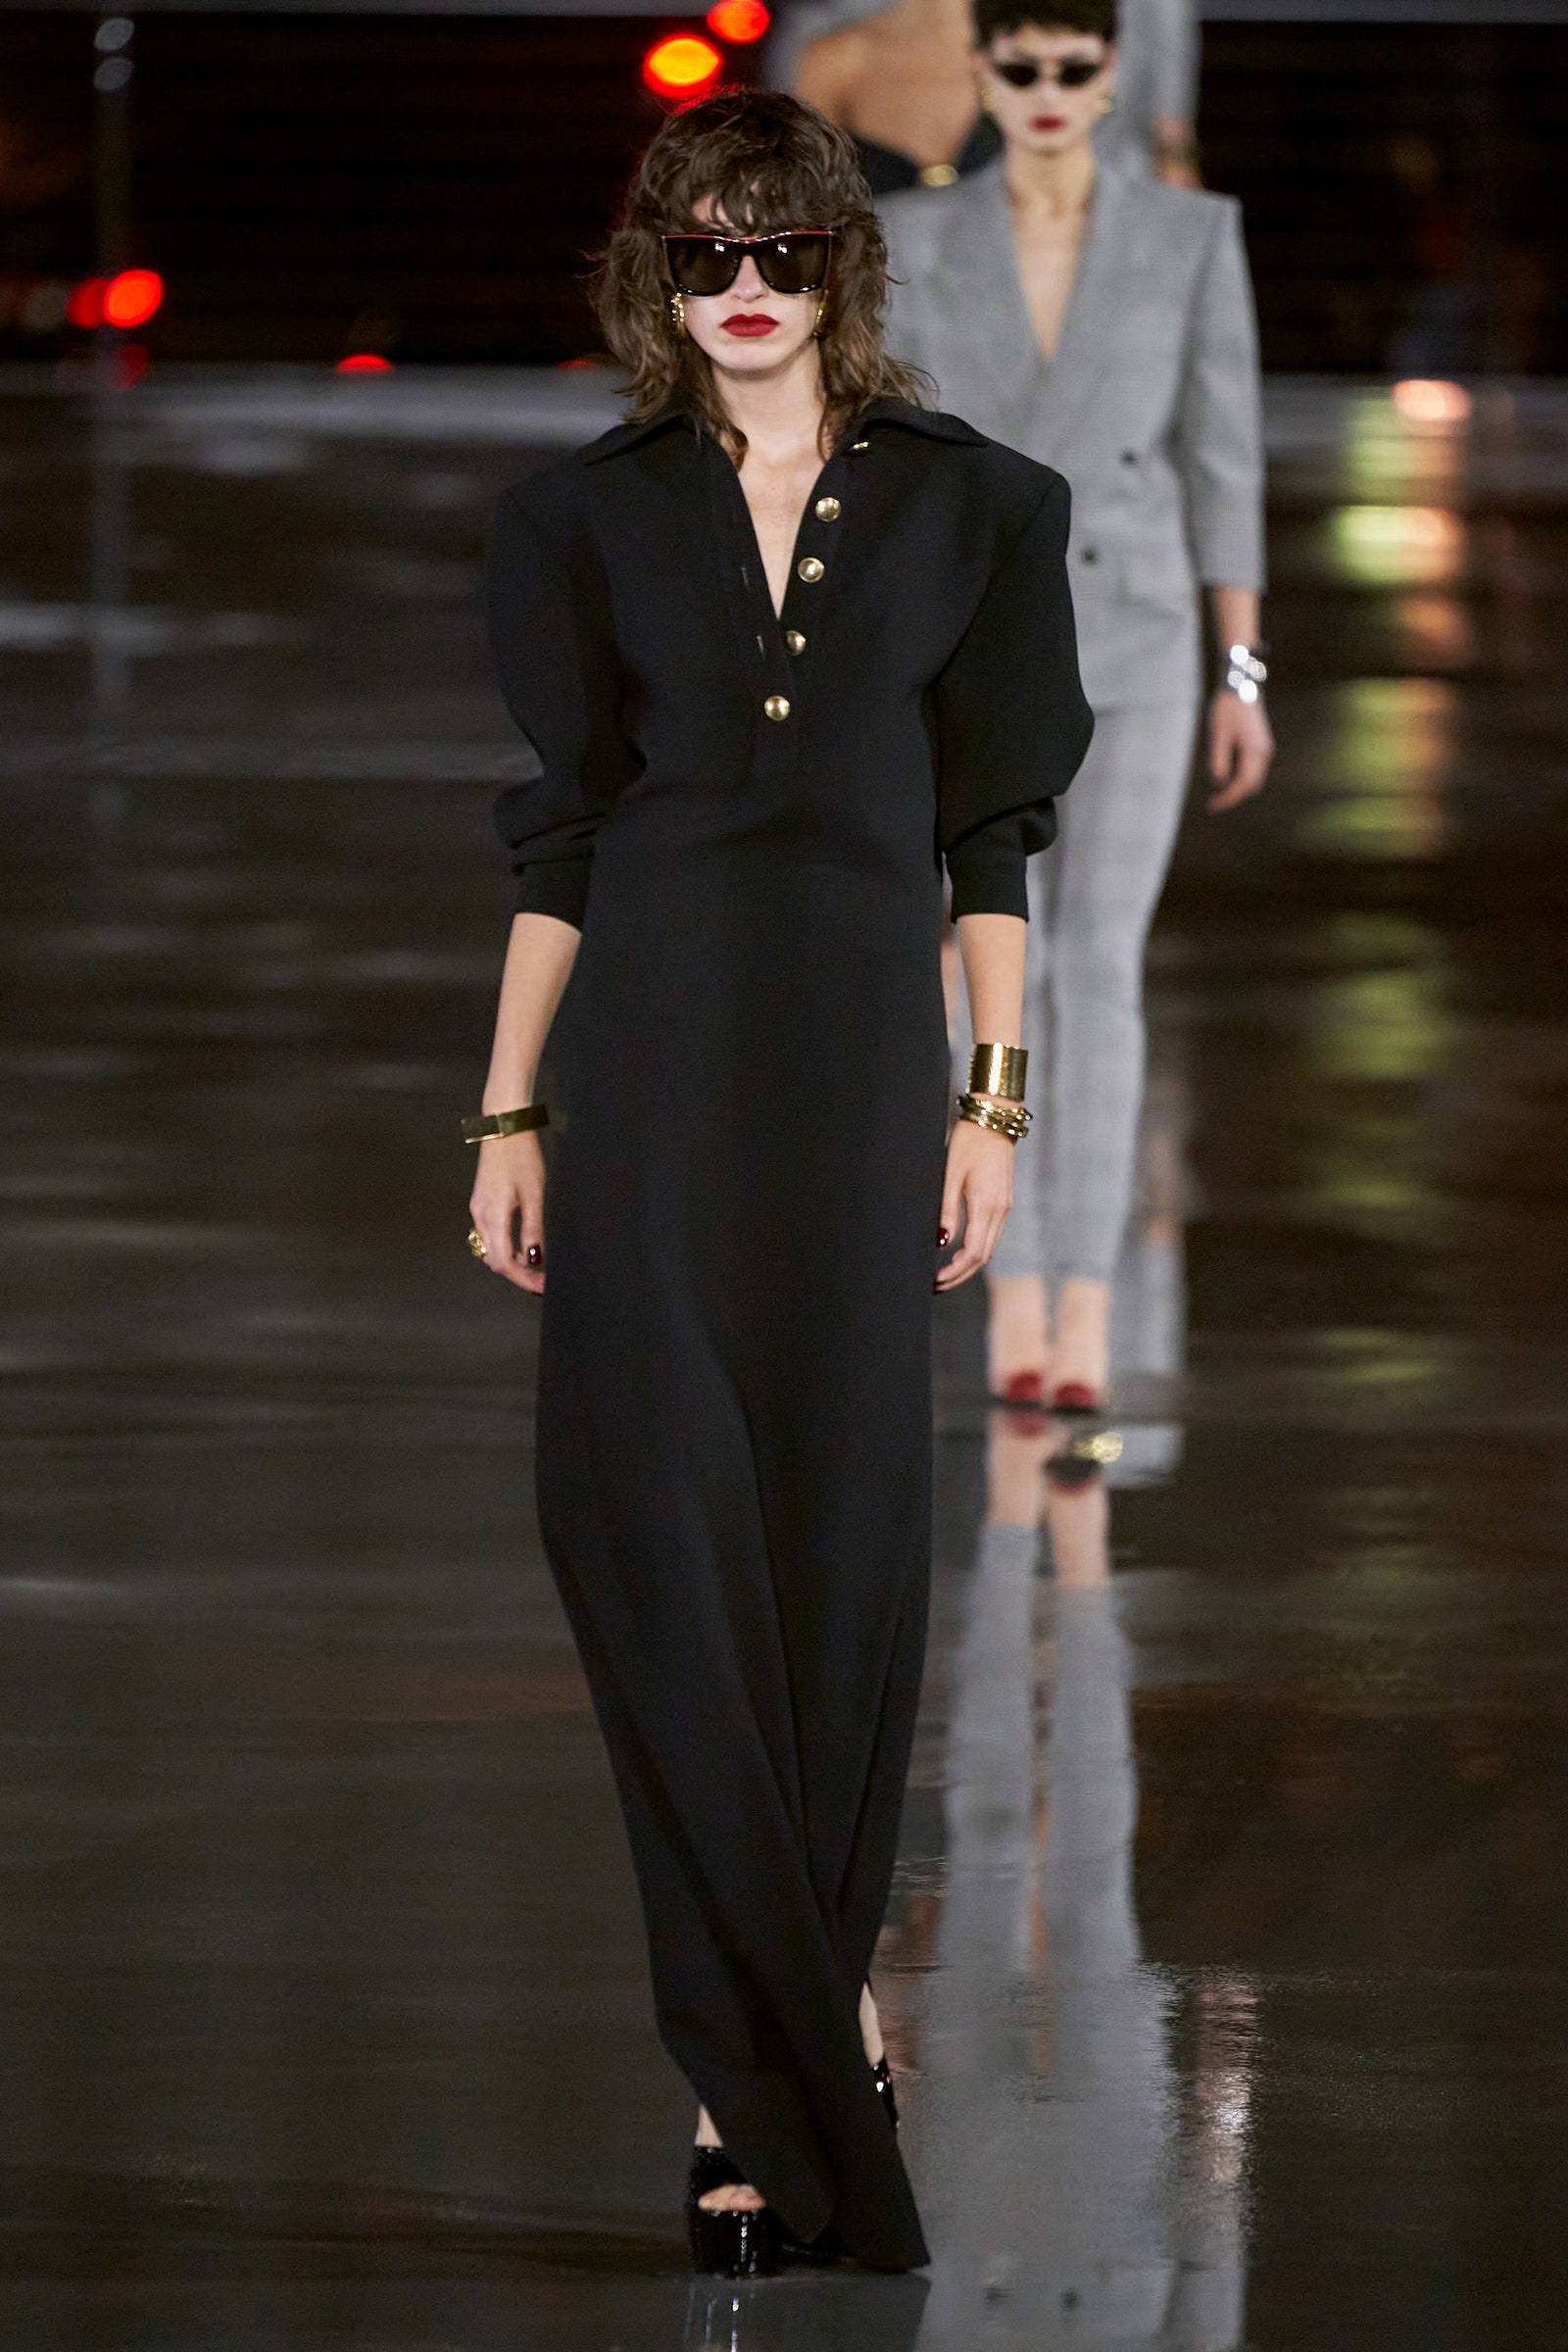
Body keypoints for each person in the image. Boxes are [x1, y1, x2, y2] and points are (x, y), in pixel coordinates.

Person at [469, 89, 1092, 2278]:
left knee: (834, 1568)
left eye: (783, 251)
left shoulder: (977, 508)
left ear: (842, 261)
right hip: (646, 1082)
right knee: (651, 1552)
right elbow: (563, 837)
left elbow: (991, 836)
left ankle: (811, 2034)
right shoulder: (581, 520)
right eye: (705, 253)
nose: (744, 290)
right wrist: (507, 1113)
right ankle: (754, 2072)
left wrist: (993, 1107)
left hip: (853, 1092)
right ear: (658, 270)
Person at [881, 0, 1272, 1412]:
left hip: (1144, 643)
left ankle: (1088, 1302)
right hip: (967, 651)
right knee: (988, 964)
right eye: (1022, 66)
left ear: (1112, 75)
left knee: (1099, 968)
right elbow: (886, 456)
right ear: (982, 73)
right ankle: (1013, 1285)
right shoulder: (912, 239)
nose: (1048, 89)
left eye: (1074, 67)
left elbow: (1223, 457)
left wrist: (1242, 672)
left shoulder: (1191, 235)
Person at [783, 0, 1198, 198]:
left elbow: (1163, 175)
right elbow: (794, 218)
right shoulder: (831, 59)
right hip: (870, 323)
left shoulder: (1058, 50)